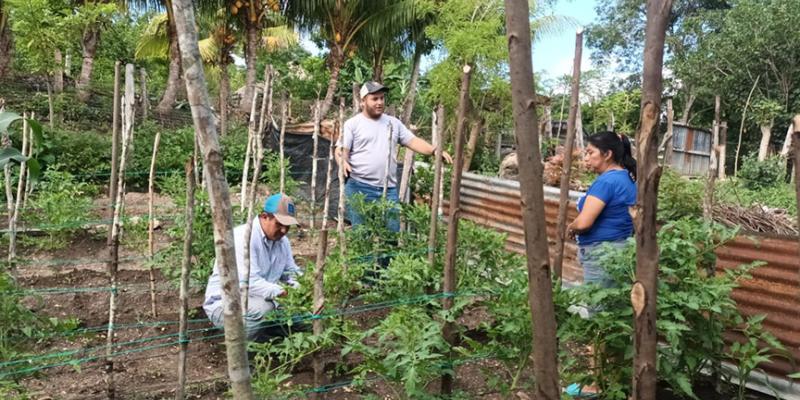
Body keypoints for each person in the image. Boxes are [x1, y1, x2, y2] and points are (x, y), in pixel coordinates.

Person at [336, 81, 452, 231]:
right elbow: (341, 149)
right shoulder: (353, 124)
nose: (379, 102)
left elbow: (413, 141)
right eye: (375, 99)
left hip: (388, 188)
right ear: (363, 101)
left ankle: (387, 256)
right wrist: (342, 161)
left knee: (392, 234)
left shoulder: (393, 123)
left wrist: (434, 150)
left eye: (382, 98)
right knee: (362, 236)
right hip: (360, 187)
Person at [203, 193, 302, 341]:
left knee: (302, 316)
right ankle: (246, 355)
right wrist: (283, 292)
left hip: (260, 299)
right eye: (279, 224)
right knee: (264, 309)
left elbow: (290, 272)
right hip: (226, 303)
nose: (283, 230)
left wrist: (303, 287)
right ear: (264, 216)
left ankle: (269, 342)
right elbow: (250, 282)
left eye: (287, 226)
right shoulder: (243, 237)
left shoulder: (282, 242)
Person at [567, 131, 637, 289]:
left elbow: (584, 222)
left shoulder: (606, 182)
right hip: (622, 250)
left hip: (601, 253)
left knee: (598, 309)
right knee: (612, 308)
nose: (586, 158)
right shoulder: (627, 178)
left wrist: (572, 227)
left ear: (607, 154)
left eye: (591, 152)